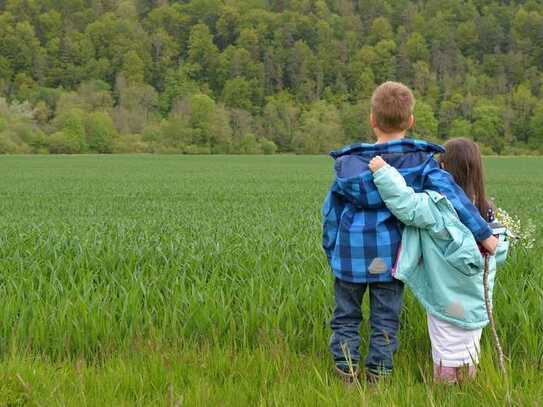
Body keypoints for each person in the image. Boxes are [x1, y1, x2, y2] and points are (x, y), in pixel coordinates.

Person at [322, 82, 498, 384]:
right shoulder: (420, 163)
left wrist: (331, 250)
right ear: (411, 121)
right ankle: (379, 376)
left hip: (350, 256)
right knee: (385, 319)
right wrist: (483, 233)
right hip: (392, 257)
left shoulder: (348, 166)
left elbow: (331, 214)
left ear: (372, 120)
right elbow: (454, 197)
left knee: (346, 317)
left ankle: (346, 372)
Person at [368, 138, 509, 384]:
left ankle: (444, 390)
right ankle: (468, 389)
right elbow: (497, 252)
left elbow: (405, 203)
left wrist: (383, 171)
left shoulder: (438, 205)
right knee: (468, 346)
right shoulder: (485, 210)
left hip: (446, 297)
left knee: (445, 346)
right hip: (476, 300)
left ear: (442, 168)